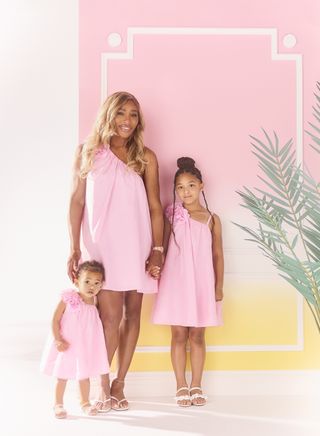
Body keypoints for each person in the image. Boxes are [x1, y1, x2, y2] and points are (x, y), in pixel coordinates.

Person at [67, 91, 163, 410]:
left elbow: (154, 207)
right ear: (108, 115)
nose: (127, 120)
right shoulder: (88, 152)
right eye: (121, 113)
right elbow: (77, 202)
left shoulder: (145, 157)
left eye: (133, 114)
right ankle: (102, 385)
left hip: (137, 245)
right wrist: (73, 249)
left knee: (132, 315)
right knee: (108, 318)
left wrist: (158, 248)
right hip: (102, 247)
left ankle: (120, 384)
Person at [152, 157, 224, 407]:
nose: (186, 191)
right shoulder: (171, 214)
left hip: (202, 283)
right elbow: (160, 246)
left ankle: (197, 384)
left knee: (198, 335)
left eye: (191, 185)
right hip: (177, 283)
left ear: (201, 186)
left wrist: (218, 286)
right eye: (180, 187)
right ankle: (180, 384)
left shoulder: (212, 219)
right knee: (179, 335)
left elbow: (217, 254)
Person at [40, 261, 110, 418]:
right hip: (67, 343)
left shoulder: (96, 301)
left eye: (96, 283)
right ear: (77, 281)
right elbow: (55, 320)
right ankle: (58, 404)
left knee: (83, 375)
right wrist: (58, 339)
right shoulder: (68, 298)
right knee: (62, 375)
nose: (91, 286)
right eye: (87, 281)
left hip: (84, 345)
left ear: (101, 285)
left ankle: (85, 403)